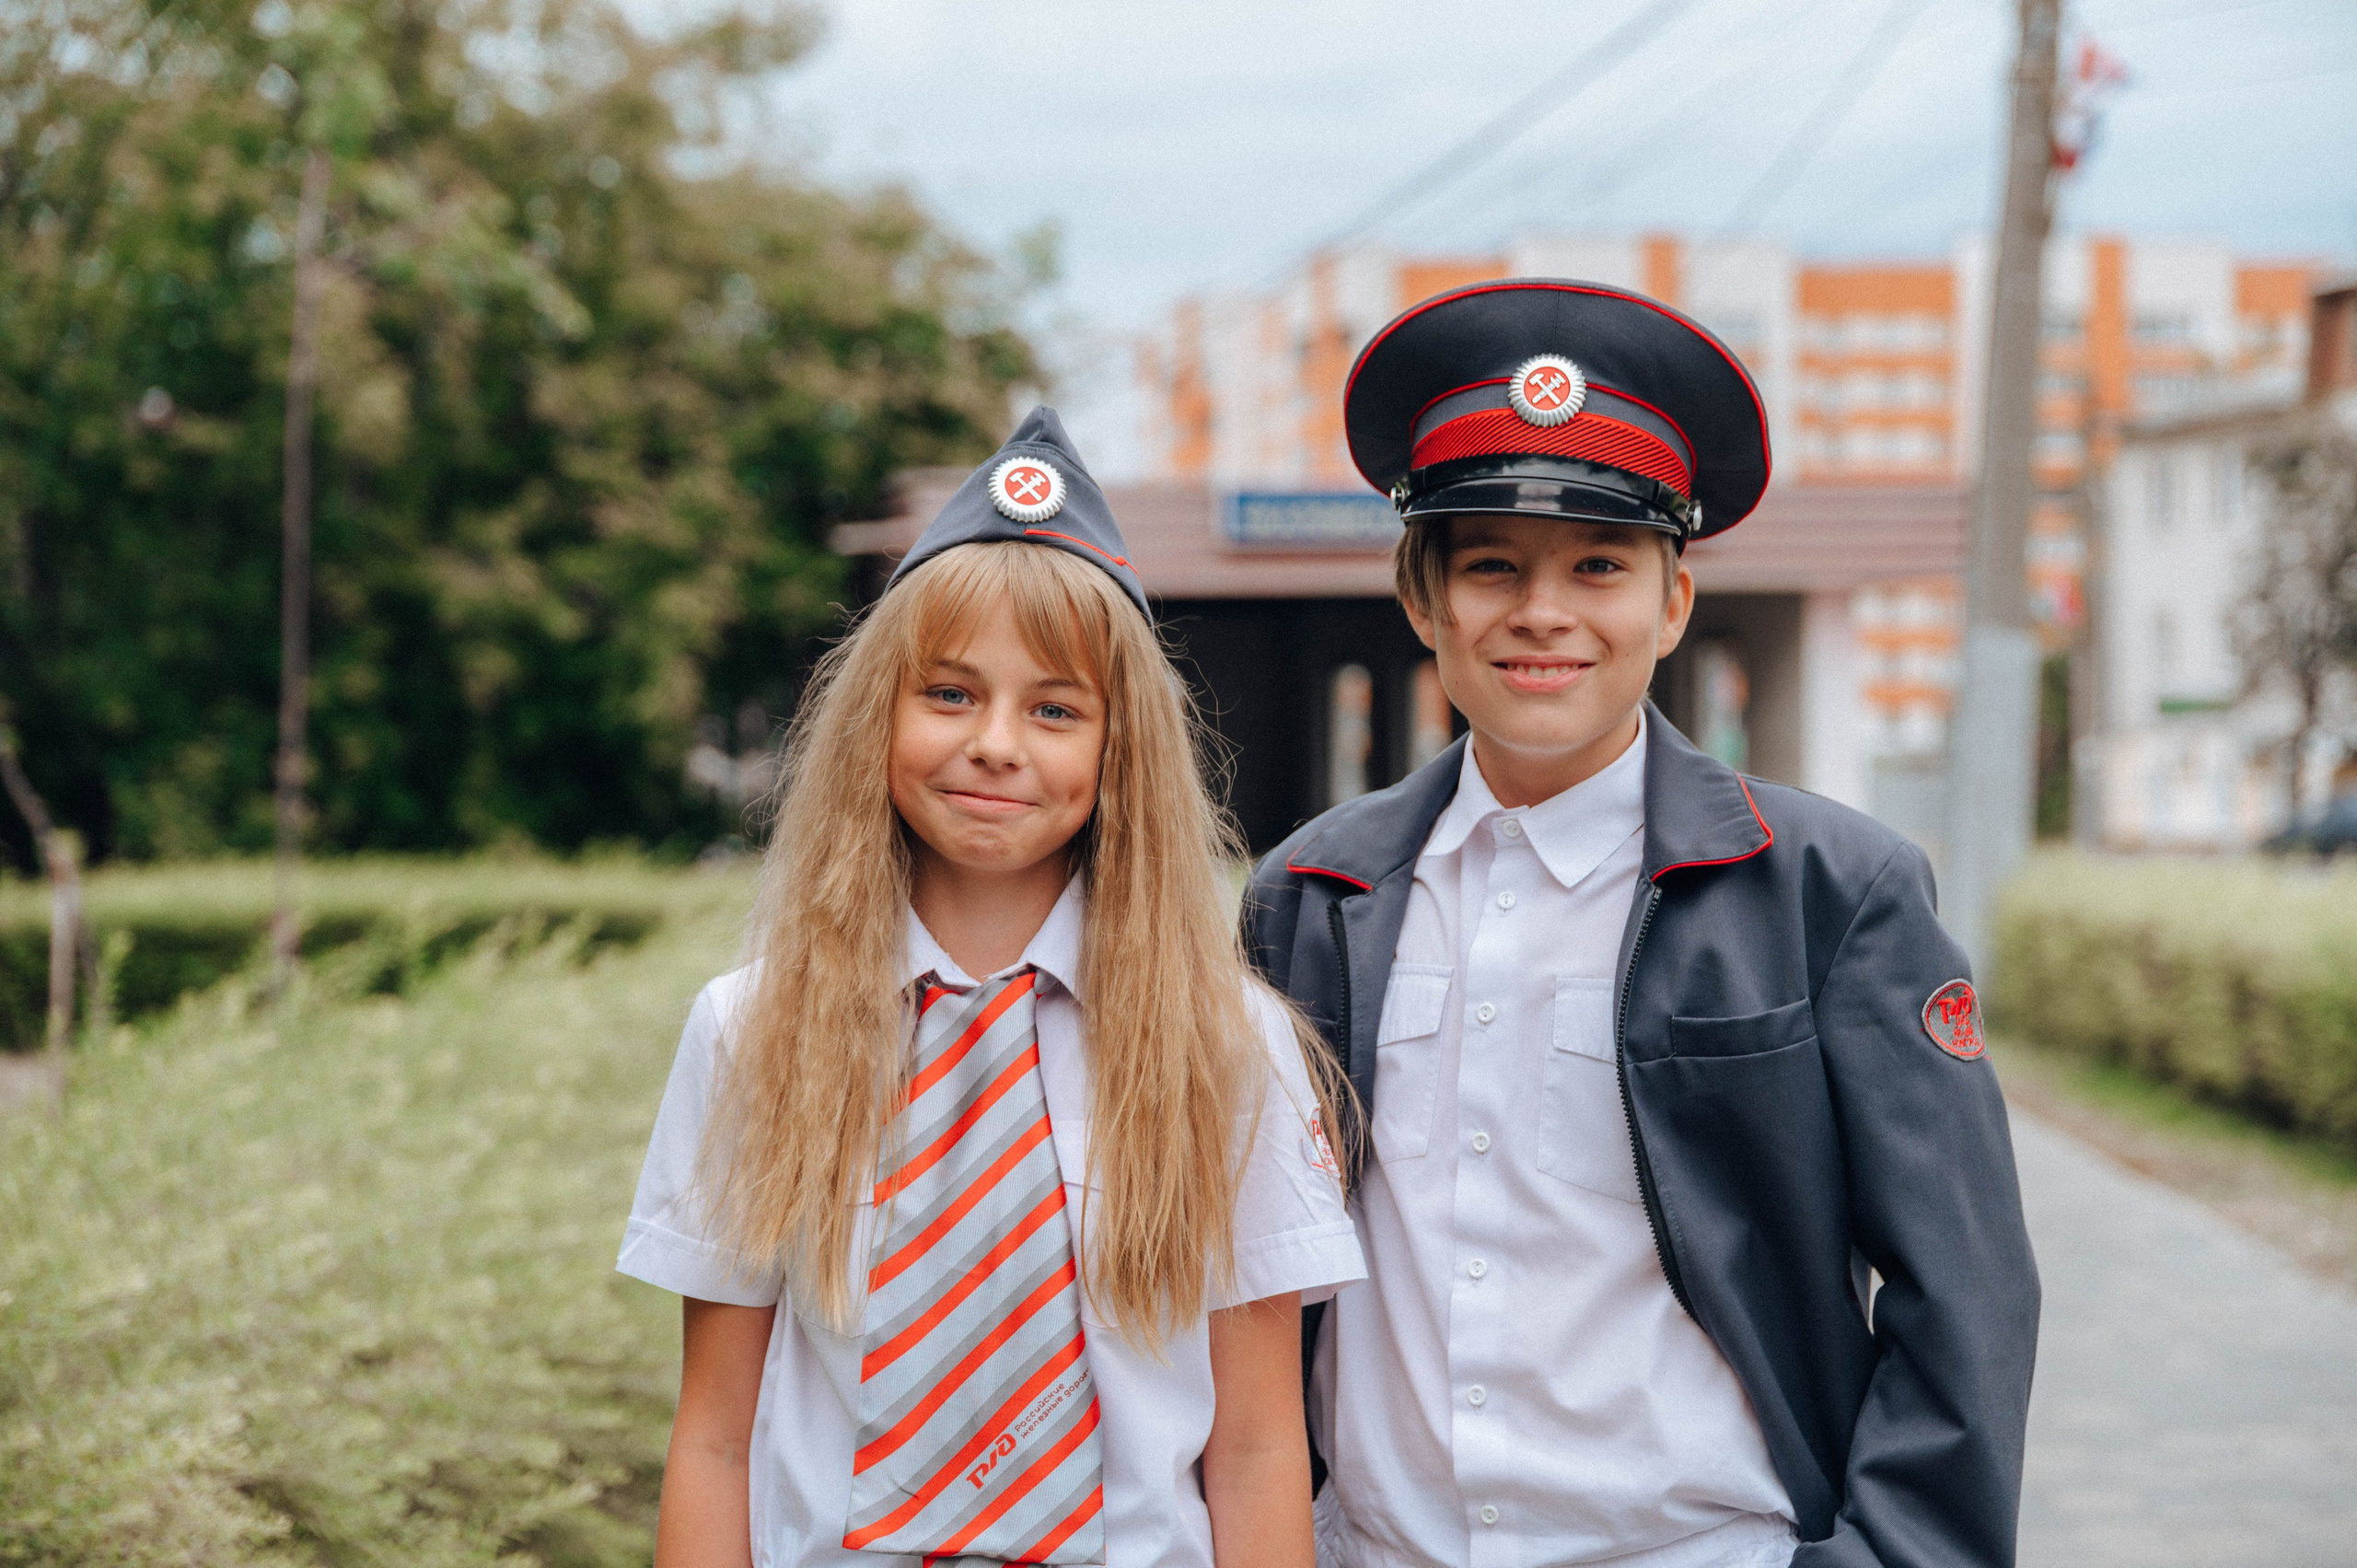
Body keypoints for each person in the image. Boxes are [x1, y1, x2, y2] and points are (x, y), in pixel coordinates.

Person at [1243, 282, 2040, 1568]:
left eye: (1600, 566)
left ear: (1672, 605)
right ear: (1423, 603)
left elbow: (1967, 1291)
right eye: (1491, 564)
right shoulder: (1310, 896)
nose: (1543, 610)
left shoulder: (1832, 888)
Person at [622, 407, 1363, 1568]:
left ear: (1120, 751)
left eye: (1055, 708)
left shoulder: (1226, 1042)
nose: (997, 743)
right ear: (879, 719)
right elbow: (714, 1437)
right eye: (950, 693)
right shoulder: (755, 1029)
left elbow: (1260, 1447)